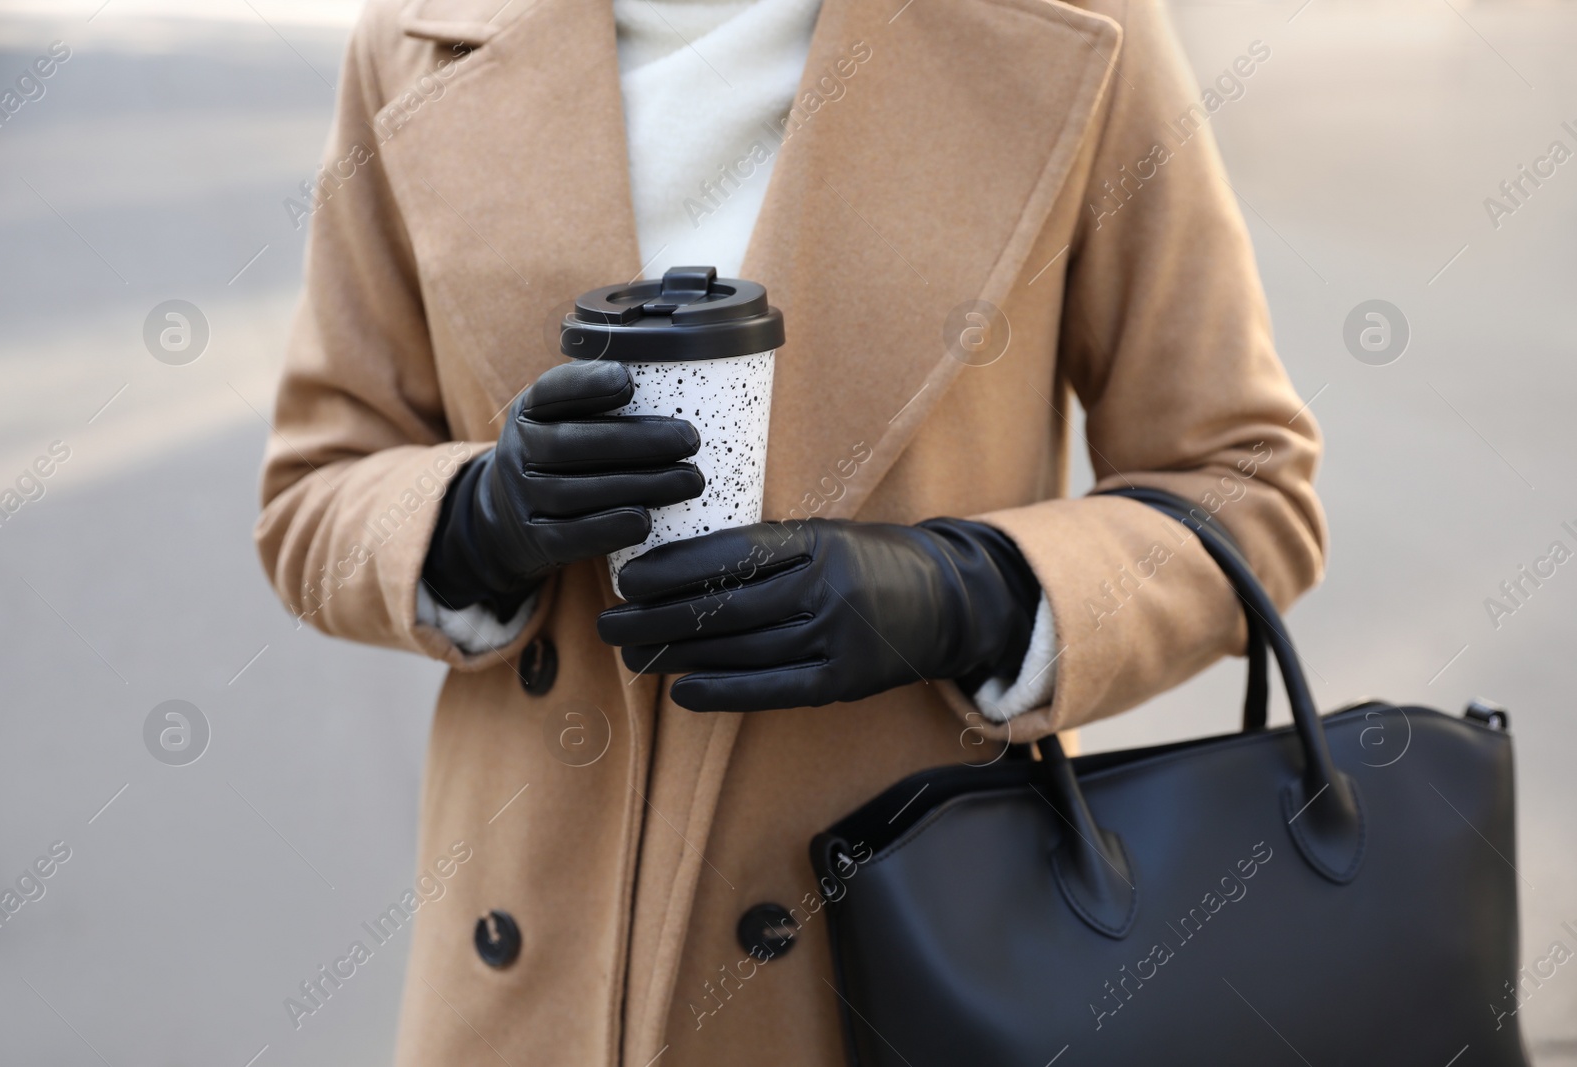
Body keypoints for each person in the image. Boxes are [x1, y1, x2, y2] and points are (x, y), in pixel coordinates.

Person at [254, 0, 1326, 1063]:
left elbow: (1248, 489)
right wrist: (476, 520)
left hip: (908, 970)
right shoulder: (413, 36)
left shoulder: (1072, 27)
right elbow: (315, 487)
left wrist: (970, 594)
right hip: (518, 986)